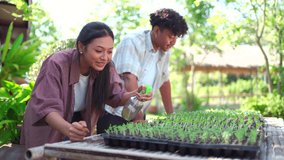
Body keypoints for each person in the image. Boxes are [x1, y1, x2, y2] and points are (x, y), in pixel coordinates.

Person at [20, 21, 152, 149]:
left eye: (110, 51)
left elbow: (116, 96)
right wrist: (69, 129)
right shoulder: (57, 63)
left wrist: (133, 95)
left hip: (77, 125)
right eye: (99, 50)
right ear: (81, 47)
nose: (105, 57)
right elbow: (47, 108)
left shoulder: (107, 67)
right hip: (50, 127)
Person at [97, 8, 188, 133]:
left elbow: (165, 81)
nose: (173, 42)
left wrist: (171, 116)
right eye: (170, 36)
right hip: (116, 116)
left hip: (137, 115)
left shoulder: (164, 52)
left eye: (175, 38)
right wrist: (138, 116)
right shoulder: (132, 42)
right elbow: (129, 79)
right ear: (156, 31)